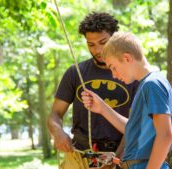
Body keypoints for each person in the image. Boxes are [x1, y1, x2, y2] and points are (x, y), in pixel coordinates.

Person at [47, 13, 138, 169]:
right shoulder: (75, 72)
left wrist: (117, 159)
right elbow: (55, 114)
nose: (98, 50)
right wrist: (58, 132)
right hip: (78, 156)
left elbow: (136, 124)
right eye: (91, 44)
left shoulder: (131, 75)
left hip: (119, 156)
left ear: (115, 38)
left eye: (103, 42)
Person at [81, 32, 172, 169]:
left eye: (113, 67)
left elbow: (165, 135)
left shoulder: (152, 84)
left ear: (127, 58)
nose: (113, 75)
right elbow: (133, 129)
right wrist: (102, 108)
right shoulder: (146, 85)